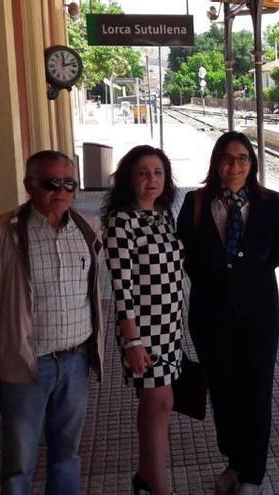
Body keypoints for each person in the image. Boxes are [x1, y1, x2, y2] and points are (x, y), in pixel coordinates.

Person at [0, 150, 105, 494]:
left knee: (67, 454)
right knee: (19, 462)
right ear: (30, 185)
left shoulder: (87, 229)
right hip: (28, 366)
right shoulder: (0, 232)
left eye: (69, 183)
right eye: (51, 182)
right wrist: (11, 341)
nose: (62, 190)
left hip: (75, 362)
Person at [177, 132, 279, 495]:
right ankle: (234, 462)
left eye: (242, 158)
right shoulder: (194, 202)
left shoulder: (270, 203)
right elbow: (186, 254)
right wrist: (219, 282)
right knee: (223, 392)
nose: (235, 166)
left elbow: (277, 253)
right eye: (227, 158)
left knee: (257, 391)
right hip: (210, 316)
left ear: (252, 163)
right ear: (216, 163)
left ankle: (252, 474)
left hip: (259, 315)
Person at [103, 145, 184, 495]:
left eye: (158, 173)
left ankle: (147, 476)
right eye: (143, 173)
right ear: (129, 179)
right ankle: (157, 486)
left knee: (160, 403)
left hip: (169, 325)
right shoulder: (121, 221)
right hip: (142, 328)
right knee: (157, 401)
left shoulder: (164, 215)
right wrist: (132, 341)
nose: (152, 180)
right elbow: (122, 286)